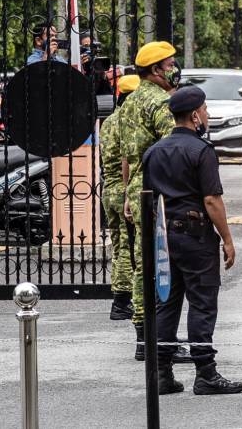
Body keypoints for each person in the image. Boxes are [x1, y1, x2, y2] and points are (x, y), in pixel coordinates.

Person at [143, 86, 242, 395]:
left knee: (167, 302)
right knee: (201, 302)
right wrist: (227, 238)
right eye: (205, 110)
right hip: (195, 236)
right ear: (195, 115)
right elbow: (212, 200)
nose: (208, 115)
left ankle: (161, 373)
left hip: (163, 237)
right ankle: (206, 373)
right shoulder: (201, 151)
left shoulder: (154, 151)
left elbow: (147, 199)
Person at [119, 40, 187, 361]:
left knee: (142, 262)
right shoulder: (160, 103)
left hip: (136, 185)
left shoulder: (130, 102)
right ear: (156, 71)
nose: (174, 70)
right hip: (157, 189)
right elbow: (172, 147)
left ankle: (143, 335)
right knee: (158, 264)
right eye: (170, 65)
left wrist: (127, 194)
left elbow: (124, 155)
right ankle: (155, 337)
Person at [99, 74, 141, 320]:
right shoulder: (129, 121)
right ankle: (123, 301)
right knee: (128, 248)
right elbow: (128, 158)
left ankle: (120, 296)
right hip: (124, 191)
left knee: (118, 246)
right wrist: (128, 192)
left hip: (109, 190)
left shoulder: (109, 121)